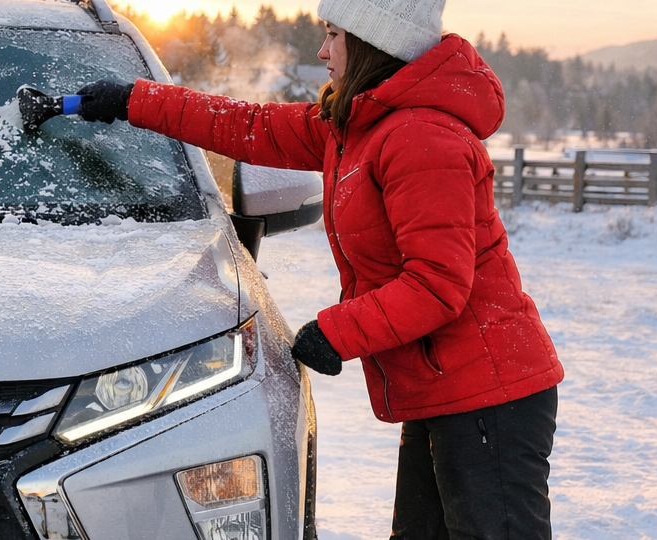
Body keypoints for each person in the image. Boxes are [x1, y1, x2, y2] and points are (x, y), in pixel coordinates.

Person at [72, 0, 564, 538]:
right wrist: (135, 100)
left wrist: (334, 332)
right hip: (449, 388)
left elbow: (437, 284)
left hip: (492, 393)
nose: (321, 51)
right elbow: (249, 127)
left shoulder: (422, 138)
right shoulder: (357, 125)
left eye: (333, 35)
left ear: (375, 43)